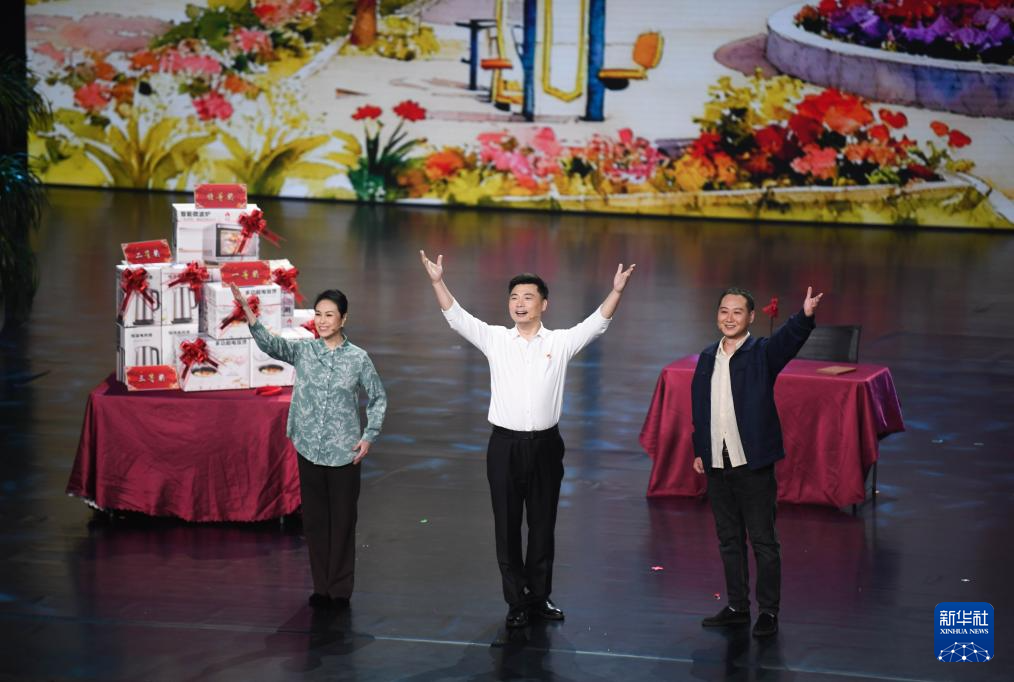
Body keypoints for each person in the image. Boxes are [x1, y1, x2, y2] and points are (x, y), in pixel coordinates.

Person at [420, 250, 635, 629]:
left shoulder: (561, 342)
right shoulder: (495, 339)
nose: (519, 303)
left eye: (528, 297)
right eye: (514, 297)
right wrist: (438, 282)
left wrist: (616, 291)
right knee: (507, 526)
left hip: (546, 447)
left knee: (542, 524)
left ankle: (539, 596)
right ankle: (515, 600)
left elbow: (597, 324)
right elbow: (457, 317)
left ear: (544, 304)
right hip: (505, 447)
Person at [229, 283, 387, 610]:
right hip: (309, 449)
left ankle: (339, 590)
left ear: (343, 319)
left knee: (342, 523)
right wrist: (248, 312)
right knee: (315, 523)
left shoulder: (358, 359)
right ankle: (321, 587)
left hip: (344, 453)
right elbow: (271, 344)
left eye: (330, 315)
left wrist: (369, 435)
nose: (323, 321)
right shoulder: (305, 350)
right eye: (318, 314)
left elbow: (378, 397)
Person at [691, 285, 823, 638]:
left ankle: (768, 611)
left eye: (737, 312)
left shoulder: (761, 353)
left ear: (751, 317)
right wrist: (700, 449)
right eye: (724, 311)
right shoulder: (707, 357)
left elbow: (788, 341)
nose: (729, 318)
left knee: (763, 541)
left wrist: (804, 316)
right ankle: (737, 606)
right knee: (729, 539)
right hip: (717, 462)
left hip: (752, 463)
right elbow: (700, 408)